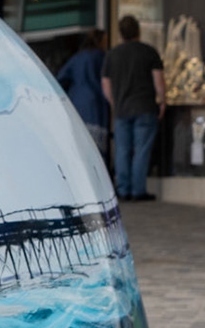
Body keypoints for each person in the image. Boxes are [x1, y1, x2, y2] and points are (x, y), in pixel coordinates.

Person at [102, 15, 166, 203]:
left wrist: (114, 103)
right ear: (138, 31)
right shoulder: (149, 52)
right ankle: (138, 190)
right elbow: (159, 81)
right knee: (141, 150)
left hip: (122, 110)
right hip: (145, 108)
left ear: (121, 34)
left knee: (122, 150)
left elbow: (105, 84)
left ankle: (123, 189)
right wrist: (163, 101)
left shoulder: (112, 55)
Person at [56, 30, 109, 155]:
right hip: (97, 104)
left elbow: (60, 79)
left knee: (81, 143)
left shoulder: (77, 58)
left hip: (77, 103)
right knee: (97, 147)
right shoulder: (102, 57)